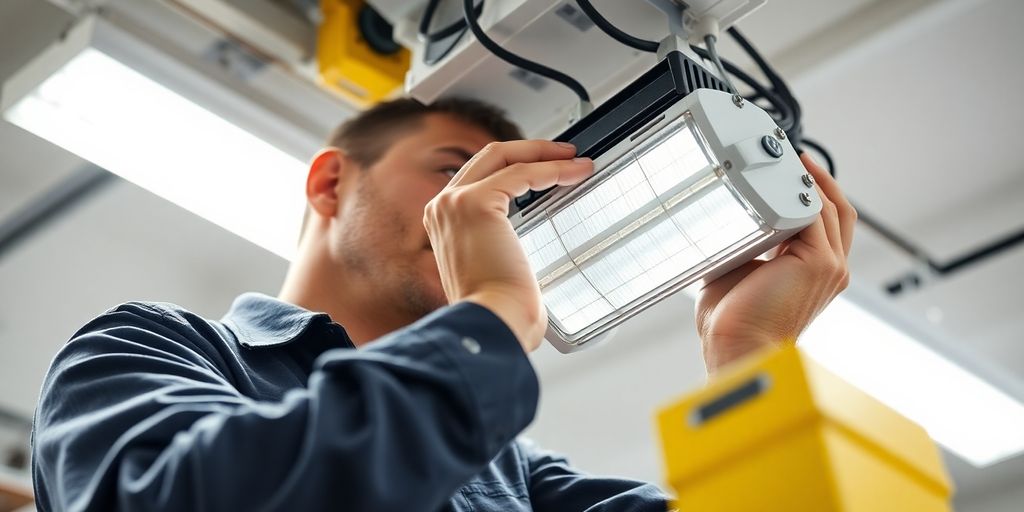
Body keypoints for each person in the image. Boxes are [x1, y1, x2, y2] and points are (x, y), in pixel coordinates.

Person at [31, 97, 856, 511]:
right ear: (330, 183)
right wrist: (495, 306)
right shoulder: (148, 346)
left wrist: (752, 357)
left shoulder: (516, 475)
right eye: (455, 170)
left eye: (509, 196)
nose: (490, 206)